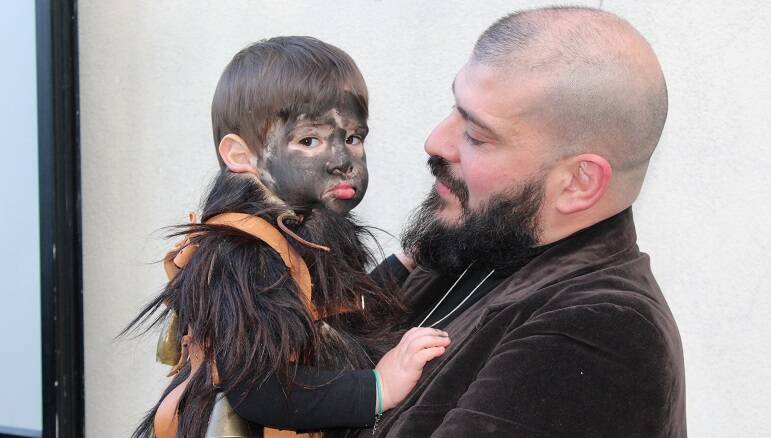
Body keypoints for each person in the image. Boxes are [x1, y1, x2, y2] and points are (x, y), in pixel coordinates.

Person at [358, 6, 686, 437]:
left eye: (476, 135)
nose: (436, 142)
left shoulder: (601, 335)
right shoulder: (481, 238)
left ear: (578, 183)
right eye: (456, 107)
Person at [124, 36, 449, 438]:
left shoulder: (310, 225)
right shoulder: (244, 253)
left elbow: (332, 315)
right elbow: (259, 390)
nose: (342, 161)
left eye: (352, 138)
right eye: (309, 140)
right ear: (243, 157)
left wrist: (406, 262)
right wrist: (377, 389)